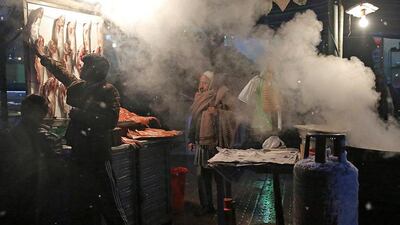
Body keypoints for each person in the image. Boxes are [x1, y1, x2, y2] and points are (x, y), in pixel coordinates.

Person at [33, 46, 127, 225]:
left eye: (85, 66)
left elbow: (110, 121)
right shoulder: (80, 86)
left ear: (94, 70)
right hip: (79, 154)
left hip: (98, 156)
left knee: (110, 203)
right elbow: (62, 73)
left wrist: (80, 114)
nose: (81, 69)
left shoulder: (109, 91)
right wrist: (44, 58)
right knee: (80, 204)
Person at [0, 94, 59, 225]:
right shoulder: (41, 137)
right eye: (41, 113)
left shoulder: (11, 133)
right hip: (31, 196)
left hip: (18, 199)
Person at [188, 71, 237, 215]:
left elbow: (232, 115)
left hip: (215, 143)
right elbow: (194, 120)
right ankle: (207, 207)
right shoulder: (198, 98)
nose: (201, 85)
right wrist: (191, 139)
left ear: (210, 83)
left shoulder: (219, 95)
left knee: (218, 175)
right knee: (202, 177)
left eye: (204, 82)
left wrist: (218, 112)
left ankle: (223, 206)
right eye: (200, 82)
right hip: (201, 144)